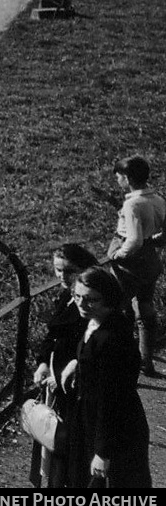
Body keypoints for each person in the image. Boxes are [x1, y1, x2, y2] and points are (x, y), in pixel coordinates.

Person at [63, 265, 153, 487]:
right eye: (77, 296)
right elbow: (95, 357)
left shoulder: (113, 338)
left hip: (116, 430)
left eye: (91, 299)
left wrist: (103, 452)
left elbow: (113, 399)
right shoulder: (99, 322)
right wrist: (78, 362)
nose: (82, 304)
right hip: (94, 421)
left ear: (108, 298)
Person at [31, 243, 98, 487]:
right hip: (55, 380)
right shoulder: (67, 295)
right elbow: (52, 336)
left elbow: (88, 347)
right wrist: (42, 363)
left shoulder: (88, 303)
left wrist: (62, 374)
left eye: (68, 270)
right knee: (54, 441)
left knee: (71, 447)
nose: (62, 276)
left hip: (73, 386)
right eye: (58, 270)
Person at [105, 155, 166, 375]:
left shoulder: (132, 204)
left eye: (119, 176)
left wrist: (119, 254)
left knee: (120, 309)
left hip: (129, 263)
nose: (118, 180)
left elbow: (134, 239)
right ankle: (145, 361)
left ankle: (123, 363)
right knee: (145, 307)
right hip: (149, 260)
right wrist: (155, 240)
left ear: (128, 178)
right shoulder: (157, 200)